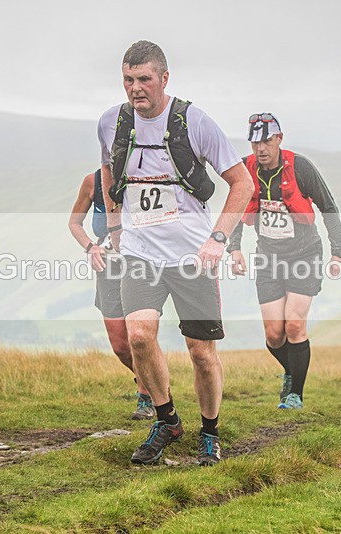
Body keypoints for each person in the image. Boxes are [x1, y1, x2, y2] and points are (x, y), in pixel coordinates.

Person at [93, 41, 253, 466]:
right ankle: (167, 420)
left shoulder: (194, 122)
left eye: (144, 79)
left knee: (201, 352)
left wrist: (217, 239)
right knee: (140, 336)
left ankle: (210, 432)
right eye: (128, 80)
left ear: (164, 78)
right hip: (140, 253)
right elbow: (109, 172)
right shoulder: (112, 122)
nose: (135, 88)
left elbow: (242, 183)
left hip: (192, 256)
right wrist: (114, 226)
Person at [227, 113, 341, 409]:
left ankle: (295, 395)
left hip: (304, 254)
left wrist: (338, 252)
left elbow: (328, 206)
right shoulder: (247, 169)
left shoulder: (300, 167)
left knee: (294, 326)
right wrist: (234, 247)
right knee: (274, 335)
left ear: (279, 138)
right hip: (268, 257)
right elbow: (237, 204)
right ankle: (292, 373)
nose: (261, 148)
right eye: (255, 142)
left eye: (267, 140)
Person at [68, 169, 156, 420]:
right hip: (108, 268)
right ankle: (151, 380)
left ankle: (146, 398)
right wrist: (90, 247)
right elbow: (74, 223)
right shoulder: (92, 182)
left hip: (141, 267)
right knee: (120, 346)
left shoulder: (146, 177)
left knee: (137, 336)